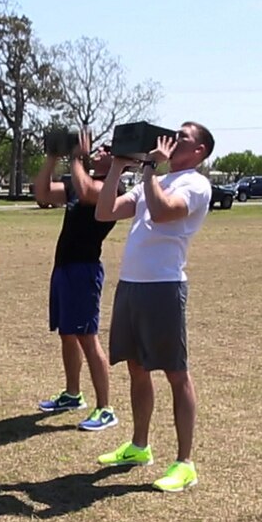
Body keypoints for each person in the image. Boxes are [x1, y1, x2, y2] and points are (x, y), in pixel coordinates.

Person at [93, 122, 214, 493]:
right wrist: (118, 165)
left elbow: (163, 214)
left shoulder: (195, 184)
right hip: (132, 284)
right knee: (137, 367)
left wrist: (148, 169)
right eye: (173, 135)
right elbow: (105, 212)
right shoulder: (154, 181)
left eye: (183, 138)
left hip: (164, 286)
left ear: (200, 151)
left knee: (176, 372)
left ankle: (185, 463)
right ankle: (139, 446)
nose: (174, 142)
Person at [34, 131, 121, 430]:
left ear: (119, 161)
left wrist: (76, 158)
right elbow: (43, 194)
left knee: (87, 336)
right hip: (64, 268)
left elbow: (86, 192)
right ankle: (73, 393)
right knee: (67, 333)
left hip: (84, 270)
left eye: (107, 149)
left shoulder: (112, 187)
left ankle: (105, 408)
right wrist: (52, 156)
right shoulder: (79, 178)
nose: (99, 150)